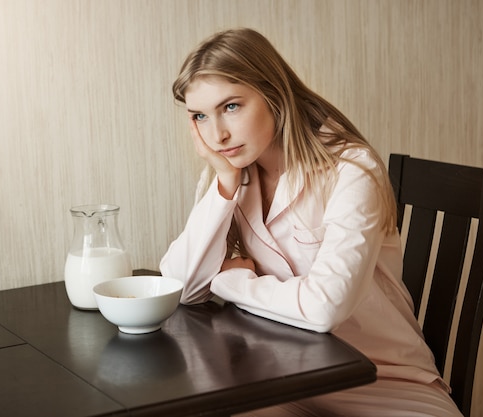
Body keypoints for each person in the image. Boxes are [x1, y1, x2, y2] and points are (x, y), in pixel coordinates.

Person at [160, 28, 462, 416]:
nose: (217, 134)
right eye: (200, 116)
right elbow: (180, 289)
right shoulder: (232, 173)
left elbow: (324, 309)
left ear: (273, 95)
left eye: (231, 106)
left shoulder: (351, 169)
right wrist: (224, 183)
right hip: (280, 379)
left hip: (386, 381)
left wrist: (231, 282)